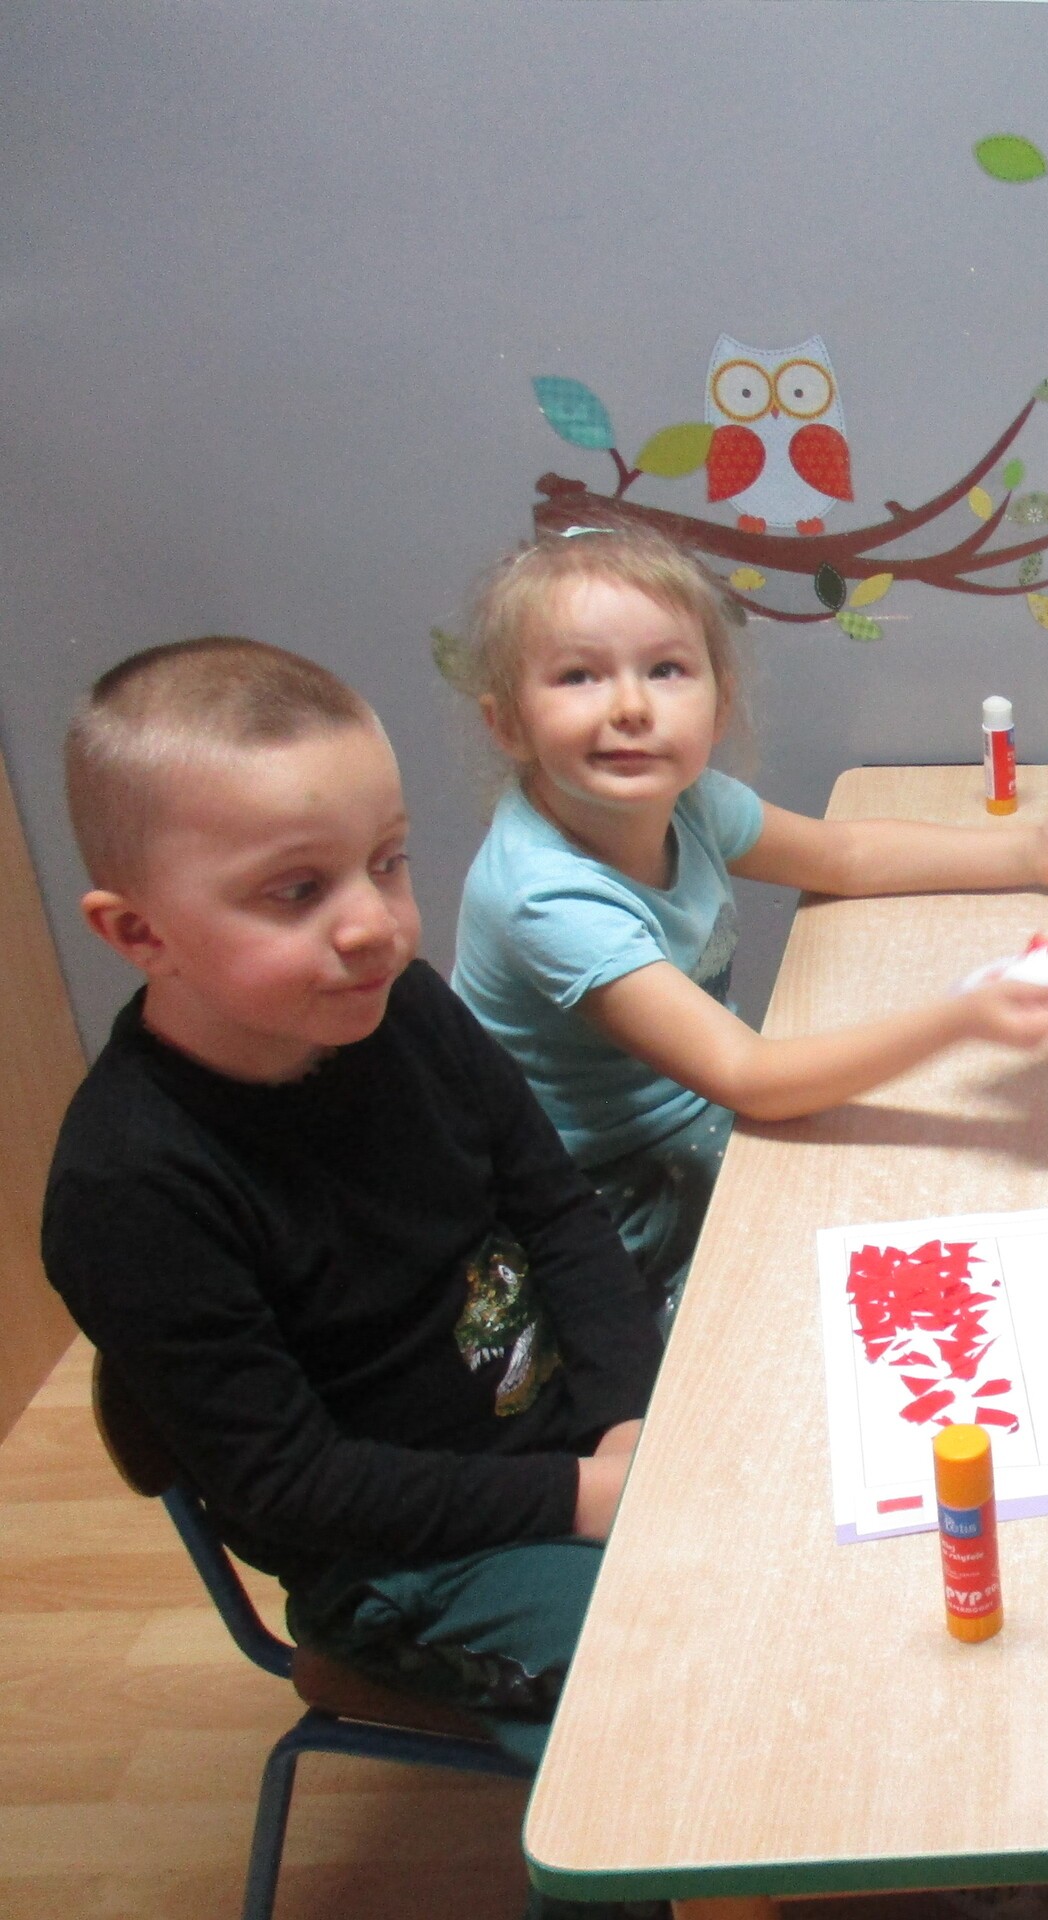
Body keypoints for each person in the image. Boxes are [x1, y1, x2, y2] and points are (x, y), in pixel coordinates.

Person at [42, 637, 663, 1782]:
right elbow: (293, 1485)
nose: (373, 923)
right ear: (138, 934)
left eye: (386, 863)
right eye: (297, 891)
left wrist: (624, 1419)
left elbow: (557, 1212)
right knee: (673, 1686)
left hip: (571, 1440)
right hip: (401, 1560)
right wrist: (585, 1495)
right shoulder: (128, 1190)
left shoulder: (397, 1003)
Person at [450, 529, 1048, 1319]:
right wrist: (961, 1016)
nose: (630, 707)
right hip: (602, 1200)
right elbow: (750, 1077)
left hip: (705, 1118)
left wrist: (1031, 854)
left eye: (665, 670)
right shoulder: (545, 896)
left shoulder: (689, 802)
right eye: (578, 676)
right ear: (508, 723)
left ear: (719, 703)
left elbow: (846, 856)